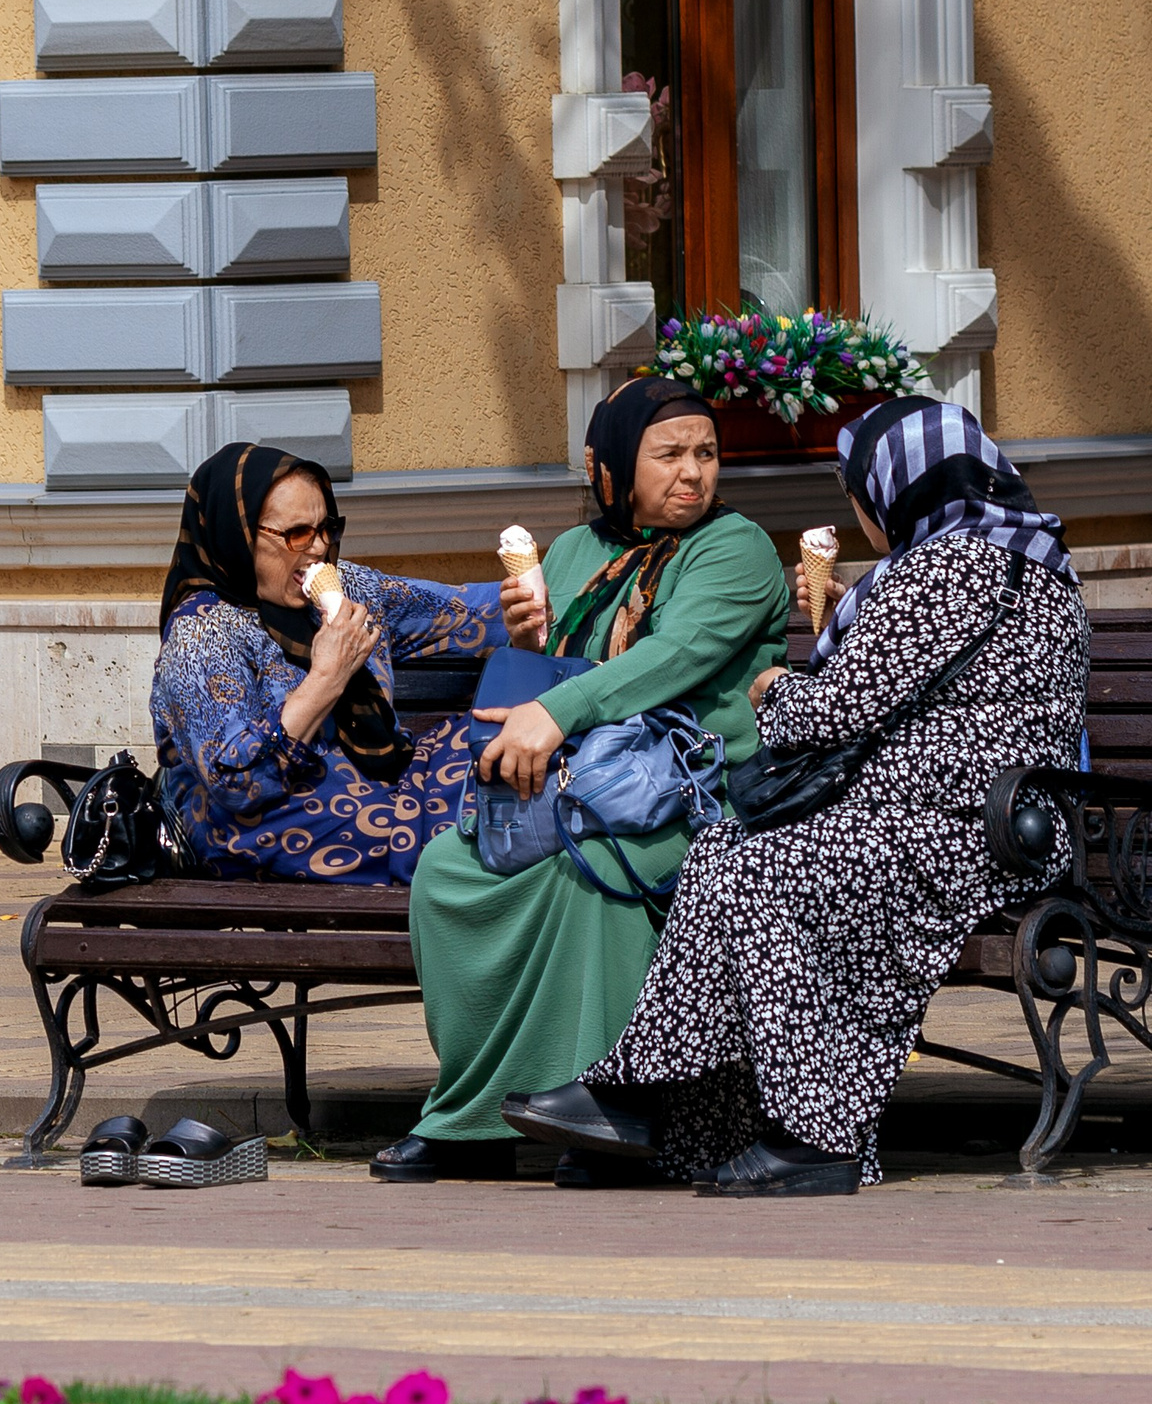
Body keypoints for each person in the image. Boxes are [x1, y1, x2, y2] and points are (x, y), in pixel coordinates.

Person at [504, 398, 1089, 1195]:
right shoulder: (1032, 555)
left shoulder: (949, 565)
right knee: (726, 853)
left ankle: (816, 1136)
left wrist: (775, 688)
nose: (862, 512)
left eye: (860, 493)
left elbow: (834, 709)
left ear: (900, 487)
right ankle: (643, 1100)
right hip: (982, 822)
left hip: (964, 831)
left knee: (756, 871)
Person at [380, 377, 787, 1185]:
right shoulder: (572, 553)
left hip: (694, 791)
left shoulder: (735, 547)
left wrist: (556, 710)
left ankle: (608, 1112)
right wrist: (532, 639)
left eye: (706, 453)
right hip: (575, 783)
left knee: (595, 864)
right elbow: (556, 671)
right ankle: (474, 1117)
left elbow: (670, 660)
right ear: (611, 470)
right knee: (445, 874)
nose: (693, 473)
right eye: (668, 454)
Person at [151, 444, 507, 884]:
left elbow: (471, 614)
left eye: (327, 528)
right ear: (237, 534)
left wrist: (534, 601)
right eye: (297, 533)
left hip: (379, 785)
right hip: (266, 823)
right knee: (463, 829)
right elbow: (237, 783)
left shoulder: (351, 587)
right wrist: (327, 677)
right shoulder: (203, 632)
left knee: (499, 756)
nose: (319, 547)